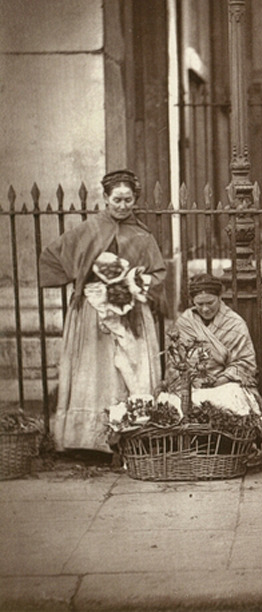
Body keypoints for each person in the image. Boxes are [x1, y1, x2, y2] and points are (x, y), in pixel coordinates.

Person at [39, 170, 167, 454]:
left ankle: (131, 433)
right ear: (106, 198)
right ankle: (89, 439)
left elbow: (158, 273)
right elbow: (53, 256)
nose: (122, 206)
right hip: (92, 313)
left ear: (135, 200)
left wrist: (133, 282)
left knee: (131, 369)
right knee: (94, 370)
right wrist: (84, 281)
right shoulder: (89, 229)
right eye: (117, 200)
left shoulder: (142, 235)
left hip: (130, 311)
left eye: (128, 200)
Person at [167, 272, 262, 413]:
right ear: (192, 301)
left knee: (230, 404)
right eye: (200, 304)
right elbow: (174, 362)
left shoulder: (235, 323)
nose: (205, 309)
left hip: (224, 384)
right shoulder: (184, 322)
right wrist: (189, 381)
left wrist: (219, 380)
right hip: (190, 386)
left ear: (220, 297)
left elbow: (244, 363)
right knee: (175, 406)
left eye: (210, 303)